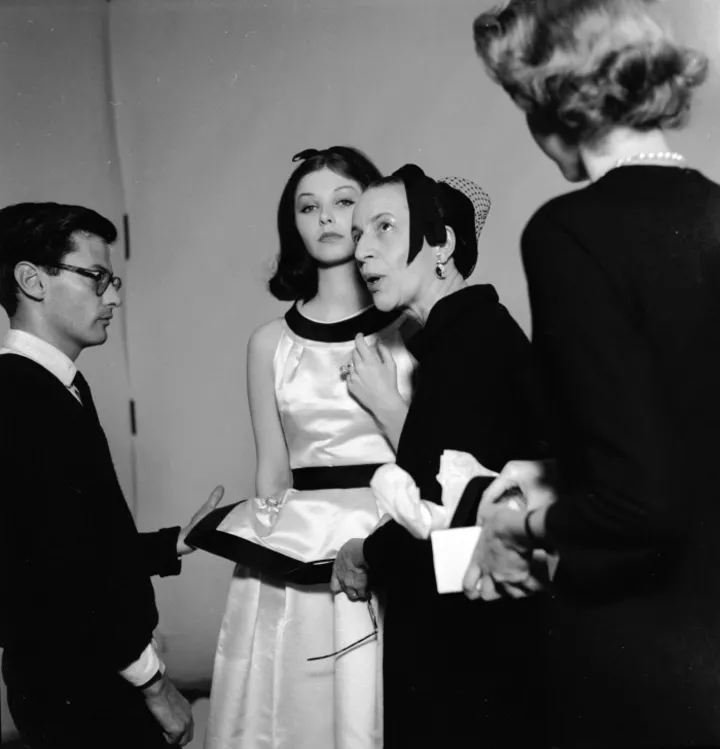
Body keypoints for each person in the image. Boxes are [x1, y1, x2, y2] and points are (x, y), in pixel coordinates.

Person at [466, 1, 720, 746]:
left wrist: (515, 524)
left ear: (552, 107)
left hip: (644, 662)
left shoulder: (568, 233)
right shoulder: (715, 214)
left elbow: (640, 505)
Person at [204, 147, 415, 749]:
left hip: (390, 541)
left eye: (344, 201)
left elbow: (432, 458)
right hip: (297, 560)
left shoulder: (412, 330)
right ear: (291, 224)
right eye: (307, 206)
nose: (325, 217)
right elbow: (271, 473)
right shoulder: (268, 342)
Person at [332, 165, 549, 748]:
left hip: (473, 660)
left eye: (383, 227)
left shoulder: (469, 348)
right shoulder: (464, 337)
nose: (363, 251)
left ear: (442, 244)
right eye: (358, 234)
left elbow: (448, 518)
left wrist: (362, 551)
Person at [0, 202, 225, 748]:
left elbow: (78, 539)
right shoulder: (21, 394)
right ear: (32, 280)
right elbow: (62, 572)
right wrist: (154, 684)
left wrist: (174, 543)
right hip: (81, 682)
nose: (114, 298)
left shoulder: (55, 384)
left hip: (81, 671)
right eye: (96, 277)